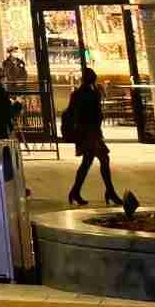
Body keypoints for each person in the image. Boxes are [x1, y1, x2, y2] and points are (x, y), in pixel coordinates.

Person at [63, 66, 115, 204]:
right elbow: (92, 114)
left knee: (88, 162)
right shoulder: (91, 93)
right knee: (103, 159)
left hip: (86, 133)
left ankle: (75, 191)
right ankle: (110, 192)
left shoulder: (80, 93)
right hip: (89, 133)